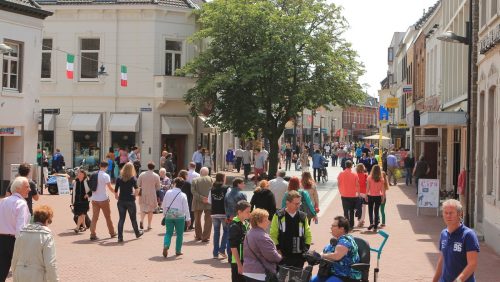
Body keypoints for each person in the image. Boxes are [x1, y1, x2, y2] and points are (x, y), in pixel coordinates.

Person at [432, 199, 479, 282]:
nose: (448, 216)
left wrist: (458, 280)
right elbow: (442, 259)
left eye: (451, 213)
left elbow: (472, 264)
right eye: (445, 213)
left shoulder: (468, 235)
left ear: (459, 214)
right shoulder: (444, 234)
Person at [11, 205, 59, 281]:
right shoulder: (46, 235)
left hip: (19, 273)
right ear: (47, 220)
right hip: (37, 276)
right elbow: (50, 263)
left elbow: (15, 258)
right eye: (50, 221)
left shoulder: (22, 233)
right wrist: (55, 280)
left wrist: (15, 275)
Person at [310, 216, 362, 282]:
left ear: (342, 228)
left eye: (333, 226)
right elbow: (325, 253)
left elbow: (336, 256)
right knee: (312, 280)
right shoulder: (336, 240)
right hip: (330, 272)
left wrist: (322, 256)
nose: (331, 228)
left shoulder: (345, 240)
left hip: (346, 275)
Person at [271, 190, 312, 268]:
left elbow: (308, 234)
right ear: (287, 202)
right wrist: (278, 251)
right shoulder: (278, 216)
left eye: (299, 203)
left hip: (299, 257)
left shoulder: (303, 216)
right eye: (296, 203)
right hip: (283, 256)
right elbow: (273, 235)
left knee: (297, 279)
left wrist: (306, 250)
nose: (298, 206)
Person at [0, 177, 30, 281]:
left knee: (1, 272)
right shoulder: (21, 204)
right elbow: (21, 228)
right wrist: (23, 246)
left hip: (1, 240)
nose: (29, 189)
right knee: (21, 272)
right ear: (18, 189)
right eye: (27, 187)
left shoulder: (3, 201)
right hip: (15, 241)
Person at [243, 208, 282, 282]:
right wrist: (280, 258)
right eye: (266, 220)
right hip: (260, 273)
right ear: (258, 222)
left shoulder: (249, 233)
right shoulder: (262, 236)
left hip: (248, 271)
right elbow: (271, 255)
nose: (268, 221)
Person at [162, 177, 191, 258]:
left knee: (168, 233)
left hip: (169, 214)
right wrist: (188, 219)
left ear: (174, 183)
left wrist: (164, 214)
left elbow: (163, 204)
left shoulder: (168, 192)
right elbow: (186, 207)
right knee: (179, 234)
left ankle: (166, 245)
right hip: (180, 216)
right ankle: (178, 251)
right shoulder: (183, 195)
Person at [114, 163, 144, 242]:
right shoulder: (132, 178)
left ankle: (120, 237)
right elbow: (137, 189)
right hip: (130, 200)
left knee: (121, 219)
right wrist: (135, 195)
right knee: (133, 219)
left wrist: (117, 196)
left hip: (121, 201)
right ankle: (137, 233)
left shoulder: (119, 178)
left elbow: (116, 190)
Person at [90, 161, 117, 241]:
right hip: (103, 199)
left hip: (94, 199)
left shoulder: (94, 174)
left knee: (94, 217)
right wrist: (115, 193)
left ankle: (92, 234)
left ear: (99, 165)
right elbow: (110, 187)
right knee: (108, 217)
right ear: (106, 167)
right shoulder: (106, 176)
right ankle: (112, 233)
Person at [208, 173, 230, 259]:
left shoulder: (212, 189)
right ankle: (222, 249)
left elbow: (209, 201)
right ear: (223, 178)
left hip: (214, 212)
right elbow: (229, 200)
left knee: (216, 232)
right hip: (224, 213)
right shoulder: (227, 188)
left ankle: (215, 253)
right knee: (226, 231)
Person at [229, 200, 251, 282]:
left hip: (246, 260)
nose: (250, 214)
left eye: (250, 211)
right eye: (247, 212)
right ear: (239, 212)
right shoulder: (234, 226)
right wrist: (239, 265)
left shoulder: (246, 223)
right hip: (238, 261)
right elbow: (233, 247)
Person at [191, 167, 213, 242]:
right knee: (208, 220)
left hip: (197, 202)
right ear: (208, 172)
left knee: (197, 220)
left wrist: (201, 198)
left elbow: (193, 191)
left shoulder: (195, 180)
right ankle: (206, 237)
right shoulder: (212, 180)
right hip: (209, 202)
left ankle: (198, 236)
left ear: (200, 172)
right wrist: (207, 198)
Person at [137, 162, 161, 231]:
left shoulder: (142, 174)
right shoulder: (156, 176)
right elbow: (158, 187)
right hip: (152, 194)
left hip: (143, 193)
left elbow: (138, 184)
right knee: (151, 210)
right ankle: (149, 225)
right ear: (154, 167)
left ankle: (141, 220)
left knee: (143, 209)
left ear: (148, 167)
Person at [337, 160, 360, 230]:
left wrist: (340, 191)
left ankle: (346, 224)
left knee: (345, 210)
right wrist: (358, 193)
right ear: (351, 165)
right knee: (352, 210)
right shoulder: (355, 174)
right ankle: (352, 224)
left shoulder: (341, 174)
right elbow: (357, 185)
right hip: (353, 195)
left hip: (344, 194)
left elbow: (338, 183)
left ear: (345, 165)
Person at [366, 165, 385, 232]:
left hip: (370, 195)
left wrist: (366, 195)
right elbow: (382, 190)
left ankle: (371, 223)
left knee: (370, 210)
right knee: (376, 211)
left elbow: (367, 187)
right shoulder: (381, 179)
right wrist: (383, 198)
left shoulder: (369, 177)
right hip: (378, 196)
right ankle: (375, 227)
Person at [72, 169, 90, 233]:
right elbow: (73, 193)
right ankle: (84, 226)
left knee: (81, 214)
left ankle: (77, 228)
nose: (78, 174)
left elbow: (92, 189)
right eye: (78, 173)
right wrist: (73, 201)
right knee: (82, 214)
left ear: (83, 174)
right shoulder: (75, 182)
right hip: (77, 200)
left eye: (80, 173)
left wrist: (88, 194)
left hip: (84, 201)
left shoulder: (87, 181)